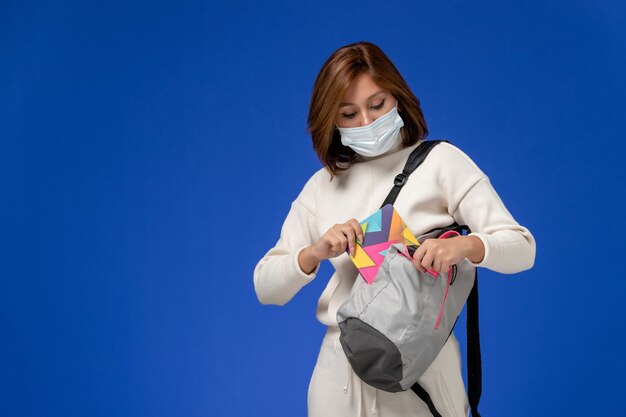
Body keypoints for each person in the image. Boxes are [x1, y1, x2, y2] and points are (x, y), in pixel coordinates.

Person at [253, 41, 536, 417]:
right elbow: (266, 287)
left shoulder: (442, 163)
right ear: (330, 121)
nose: (367, 123)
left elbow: (522, 248)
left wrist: (467, 248)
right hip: (339, 373)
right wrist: (313, 254)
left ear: (398, 98)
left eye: (377, 105)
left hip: (421, 368)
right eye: (348, 113)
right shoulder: (321, 186)